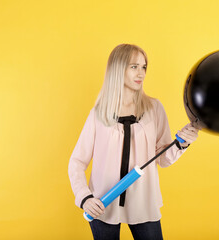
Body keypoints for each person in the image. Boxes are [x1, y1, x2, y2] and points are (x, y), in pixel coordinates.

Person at [68, 44, 199, 240]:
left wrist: (181, 144)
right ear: (118, 69)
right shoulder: (99, 113)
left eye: (144, 67)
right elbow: (77, 162)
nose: (141, 73)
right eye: (134, 67)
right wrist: (84, 198)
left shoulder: (154, 109)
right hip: (103, 204)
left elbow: (162, 158)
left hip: (144, 202)